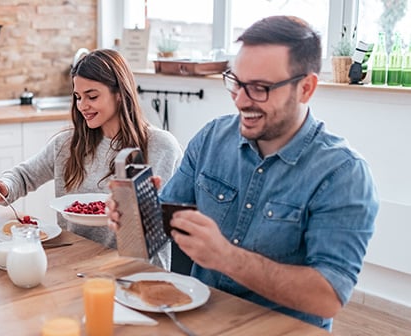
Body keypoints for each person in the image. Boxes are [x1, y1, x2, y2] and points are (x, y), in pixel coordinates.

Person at [108, 16, 378, 330]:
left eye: (260, 88)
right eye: (236, 82)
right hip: (199, 321)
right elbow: (162, 227)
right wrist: (135, 215)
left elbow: (328, 296)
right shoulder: (212, 138)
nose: (240, 100)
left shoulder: (344, 175)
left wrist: (226, 257)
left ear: (306, 88)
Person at [0, 49, 183, 269]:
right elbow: (24, 176)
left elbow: (171, 222)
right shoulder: (67, 144)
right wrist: (4, 187)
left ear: (120, 94)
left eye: (92, 96)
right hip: (75, 265)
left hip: (137, 271)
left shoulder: (161, 146)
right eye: (78, 97)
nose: (82, 105)